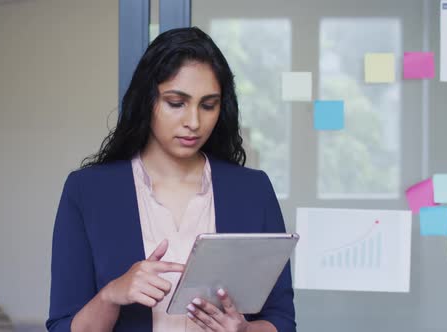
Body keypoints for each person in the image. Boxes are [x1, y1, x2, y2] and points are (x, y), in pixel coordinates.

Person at [46, 27, 296, 332]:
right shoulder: (88, 192)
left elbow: (282, 320)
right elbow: (62, 326)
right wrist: (112, 295)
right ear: (146, 100)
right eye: (176, 103)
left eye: (208, 105)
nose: (193, 122)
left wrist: (244, 331)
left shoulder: (252, 190)